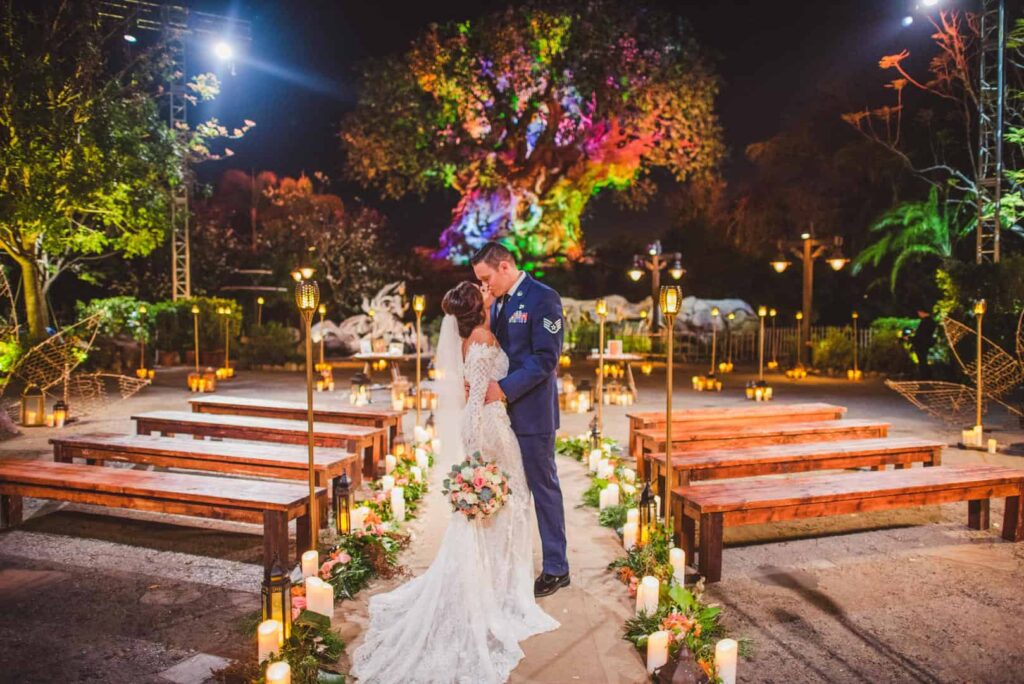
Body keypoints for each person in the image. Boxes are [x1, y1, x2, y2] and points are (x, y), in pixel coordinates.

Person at [349, 281, 558, 684]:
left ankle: (500, 581)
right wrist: (479, 455)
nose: (486, 288)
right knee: (511, 505)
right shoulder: (481, 340)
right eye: (481, 289)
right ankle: (501, 589)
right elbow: (476, 399)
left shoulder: (475, 335)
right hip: (492, 432)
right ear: (477, 306)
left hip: (493, 426)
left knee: (506, 509)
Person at [470, 241, 570, 598]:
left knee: (543, 488)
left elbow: (546, 358)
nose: (484, 286)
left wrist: (503, 389)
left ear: (505, 266)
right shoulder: (498, 302)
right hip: (502, 418)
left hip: (533, 414)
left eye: (486, 278)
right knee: (511, 492)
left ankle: (557, 567)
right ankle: (512, 563)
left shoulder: (544, 298)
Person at [912, 309, 936, 379]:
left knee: (922, 361)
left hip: (922, 345)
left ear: (922, 312)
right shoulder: (931, 321)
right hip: (926, 344)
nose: (918, 315)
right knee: (924, 361)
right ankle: (927, 376)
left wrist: (911, 338)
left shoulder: (925, 322)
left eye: (919, 313)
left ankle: (925, 376)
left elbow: (921, 335)